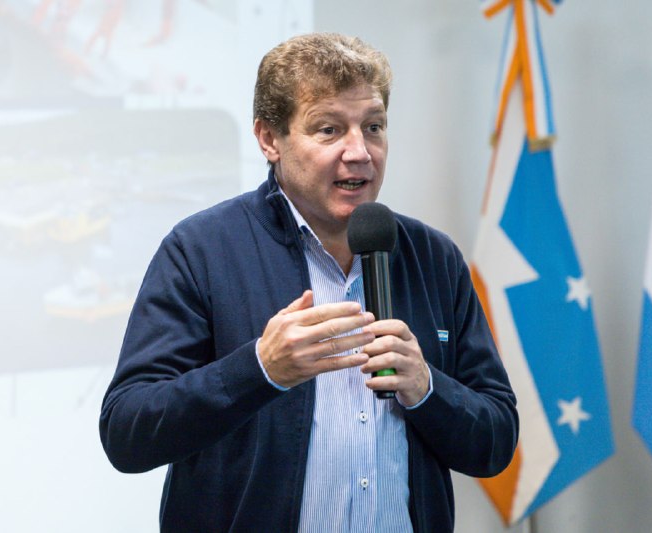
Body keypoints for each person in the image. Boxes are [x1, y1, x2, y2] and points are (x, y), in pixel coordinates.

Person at [99, 32, 518, 532]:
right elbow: (127, 432)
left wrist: (428, 389)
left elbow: (496, 442)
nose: (359, 152)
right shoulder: (201, 250)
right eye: (329, 130)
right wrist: (259, 369)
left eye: (374, 127)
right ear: (269, 139)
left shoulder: (433, 257)